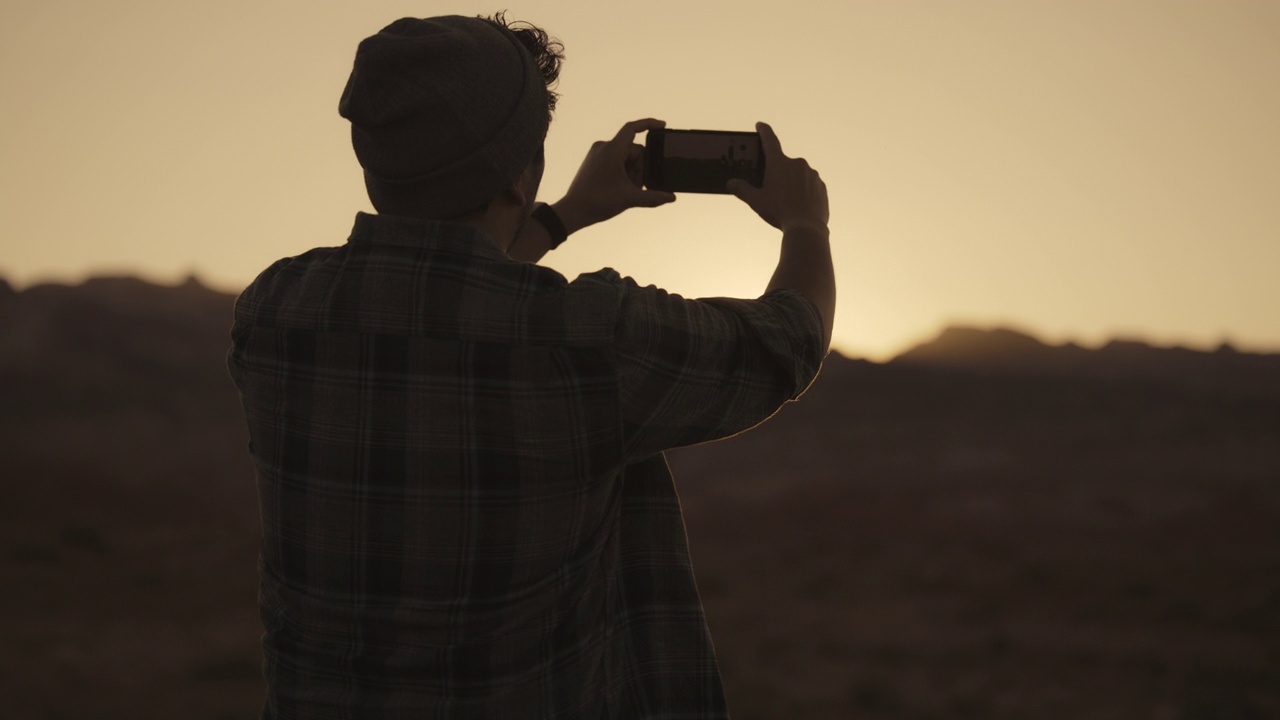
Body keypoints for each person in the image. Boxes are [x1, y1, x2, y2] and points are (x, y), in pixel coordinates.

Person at [228, 12, 834, 720]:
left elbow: (439, 308)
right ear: (520, 175)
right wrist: (805, 224)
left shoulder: (275, 314)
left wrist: (565, 215)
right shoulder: (589, 342)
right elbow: (788, 340)